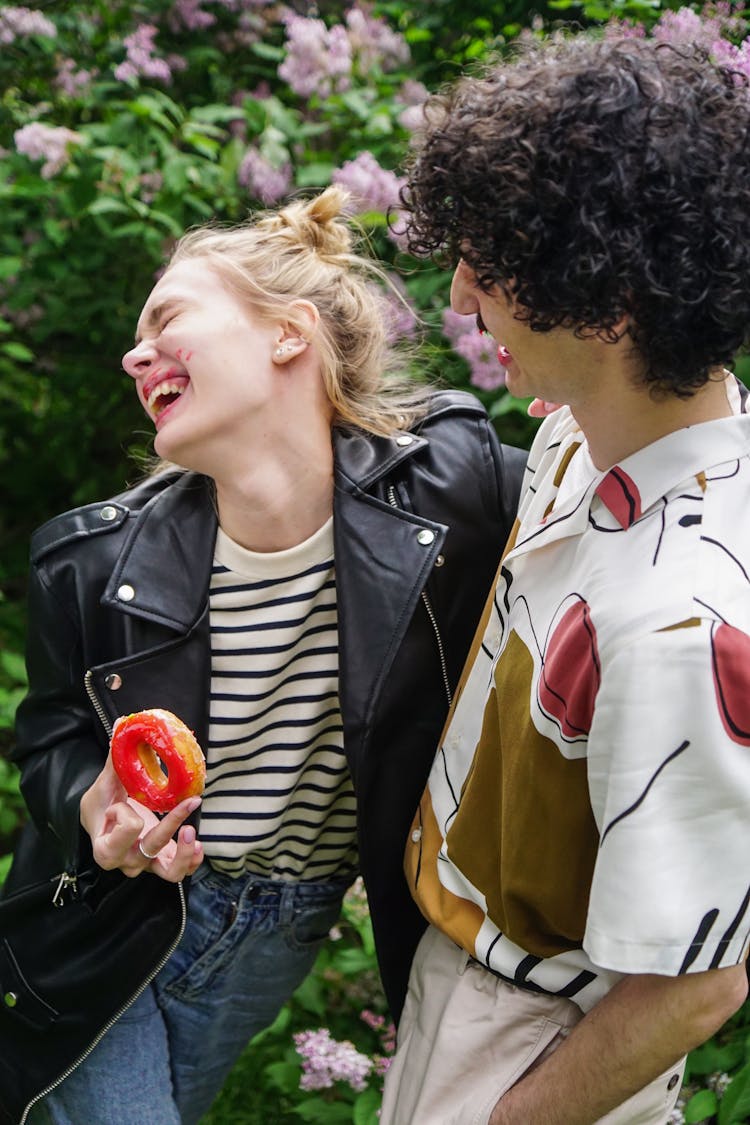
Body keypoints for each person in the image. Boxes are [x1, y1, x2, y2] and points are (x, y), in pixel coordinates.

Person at [0, 186, 526, 1124]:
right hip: (105, 923)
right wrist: (95, 802)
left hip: (284, 931)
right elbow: (48, 739)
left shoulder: (457, 488)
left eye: (167, 317)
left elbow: (620, 505)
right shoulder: (84, 562)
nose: (133, 352)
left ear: (288, 335)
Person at [380, 33, 750, 1125]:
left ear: (610, 298)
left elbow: (696, 984)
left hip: (538, 1044)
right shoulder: (576, 440)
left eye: (490, 266)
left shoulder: (681, 625)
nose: (458, 299)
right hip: (460, 991)